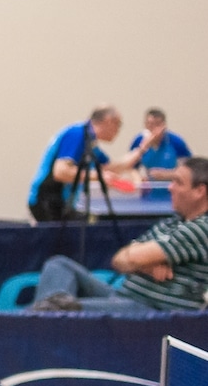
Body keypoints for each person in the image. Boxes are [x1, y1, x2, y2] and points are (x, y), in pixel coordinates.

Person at [31, 156, 208, 312]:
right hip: (121, 298)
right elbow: (119, 260)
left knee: (59, 308)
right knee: (59, 265)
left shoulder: (202, 228)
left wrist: (140, 260)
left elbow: (133, 259)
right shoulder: (171, 223)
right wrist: (148, 263)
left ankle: (42, 319)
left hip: (149, 311)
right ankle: (46, 316)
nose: (170, 187)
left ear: (200, 191)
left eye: (178, 182)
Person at [26, 105, 150, 221]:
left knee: (93, 226)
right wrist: (99, 176)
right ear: (108, 121)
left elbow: (110, 167)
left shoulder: (90, 142)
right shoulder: (77, 134)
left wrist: (142, 149)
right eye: (119, 124)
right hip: (46, 201)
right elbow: (61, 172)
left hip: (64, 203)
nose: (118, 130)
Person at [131, 107, 191, 182]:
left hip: (171, 186)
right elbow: (131, 167)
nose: (152, 129)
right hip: (149, 187)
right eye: (149, 125)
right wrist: (139, 178)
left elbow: (189, 170)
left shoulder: (175, 141)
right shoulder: (139, 141)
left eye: (156, 125)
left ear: (164, 126)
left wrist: (167, 175)